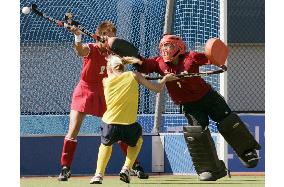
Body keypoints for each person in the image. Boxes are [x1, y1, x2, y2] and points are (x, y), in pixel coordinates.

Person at [133, 34, 261, 181]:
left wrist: (219, 62)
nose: (166, 49)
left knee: (228, 121)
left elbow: (211, 56)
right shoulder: (158, 63)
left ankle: (247, 151)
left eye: (169, 45)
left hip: (208, 97)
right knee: (197, 133)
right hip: (190, 106)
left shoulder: (191, 57)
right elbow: (143, 64)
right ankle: (212, 169)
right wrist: (132, 55)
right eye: (163, 46)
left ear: (180, 47)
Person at [58, 20, 148, 181]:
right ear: (99, 35)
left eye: (112, 35)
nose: (109, 37)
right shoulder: (91, 48)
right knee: (73, 131)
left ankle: (134, 165)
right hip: (84, 91)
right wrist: (77, 36)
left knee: (118, 129)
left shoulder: (115, 55)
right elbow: (79, 51)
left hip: (106, 93)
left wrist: (141, 77)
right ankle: (65, 168)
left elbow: (126, 69)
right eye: (106, 34)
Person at [89, 55, 176, 184]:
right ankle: (126, 168)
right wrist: (165, 79)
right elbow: (157, 88)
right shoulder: (133, 75)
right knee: (137, 141)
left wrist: (140, 78)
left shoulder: (105, 81)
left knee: (105, 145)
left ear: (110, 69)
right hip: (129, 125)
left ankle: (98, 175)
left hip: (110, 124)